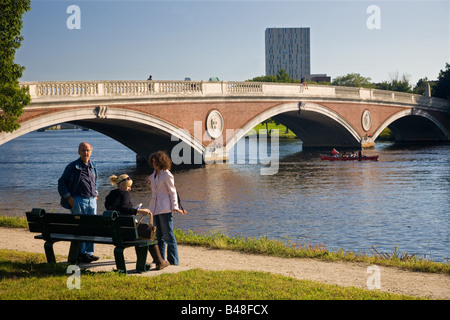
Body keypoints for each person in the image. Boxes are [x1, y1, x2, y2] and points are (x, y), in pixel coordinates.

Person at [105, 174, 170, 270]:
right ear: (123, 186)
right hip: (125, 234)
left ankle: (145, 262)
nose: (130, 189)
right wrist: (138, 211)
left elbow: (114, 209)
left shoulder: (111, 194)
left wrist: (132, 210)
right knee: (147, 237)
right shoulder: (124, 193)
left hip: (115, 233)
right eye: (129, 186)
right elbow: (123, 207)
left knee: (138, 234)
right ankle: (159, 262)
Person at [57, 142, 99, 263]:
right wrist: (68, 197)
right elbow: (62, 183)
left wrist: (95, 193)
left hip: (92, 200)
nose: (86, 153)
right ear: (78, 152)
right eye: (83, 150)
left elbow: (96, 180)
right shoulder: (72, 167)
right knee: (81, 227)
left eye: (87, 150)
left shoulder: (93, 165)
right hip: (78, 200)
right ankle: (81, 253)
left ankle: (89, 253)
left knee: (92, 227)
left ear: (91, 152)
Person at [146, 151, 186, 266]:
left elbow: (172, 192)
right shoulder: (154, 174)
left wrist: (175, 207)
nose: (154, 164)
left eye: (156, 162)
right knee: (158, 236)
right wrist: (149, 183)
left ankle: (173, 261)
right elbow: (155, 188)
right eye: (152, 162)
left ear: (161, 162)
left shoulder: (166, 174)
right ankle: (160, 259)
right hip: (155, 208)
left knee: (168, 235)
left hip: (165, 208)